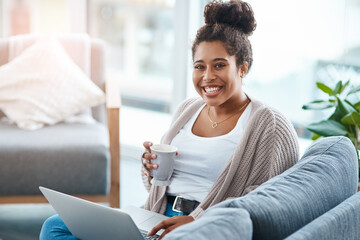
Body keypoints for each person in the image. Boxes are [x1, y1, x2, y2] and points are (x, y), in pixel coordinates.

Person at [39, 0, 299, 239]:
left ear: (243, 67)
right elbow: (160, 183)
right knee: (54, 226)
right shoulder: (188, 109)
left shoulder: (268, 123)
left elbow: (269, 203)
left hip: (207, 225)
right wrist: (150, 169)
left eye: (219, 65)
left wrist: (197, 220)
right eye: (199, 66)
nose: (207, 76)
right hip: (155, 213)